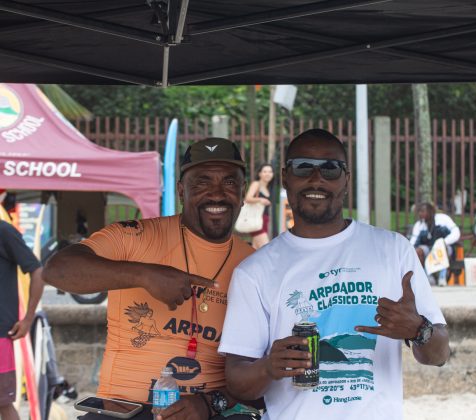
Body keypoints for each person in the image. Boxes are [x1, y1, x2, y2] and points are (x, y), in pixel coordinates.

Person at [219, 129, 450, 420]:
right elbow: (237, 380)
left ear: (347, 180)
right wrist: (267, 367)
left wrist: (420, 330)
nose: (317, 179)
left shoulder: (393, 251)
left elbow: (440, 353)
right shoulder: (255, 271)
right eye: (303, 167)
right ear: (285, 177)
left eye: (330, 168)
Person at [43, 138, 259, 420]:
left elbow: (260, 370)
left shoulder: (254, 264)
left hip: (207, 411)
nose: (216, 194)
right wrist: (144, 274)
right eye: (202, 182)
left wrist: (209, 404)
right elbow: (57, 270)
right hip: (122, 409)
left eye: (229, 183)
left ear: (243, 192)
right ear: (182, 191)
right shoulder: (134, 236)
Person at [0, 219, 44, 420]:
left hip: (0, 335)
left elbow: (38, 271)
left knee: (3, 404)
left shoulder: (3, 231)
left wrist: (28, 318)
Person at [409, 203, 460, 286]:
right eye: (419, 212)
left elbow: (456, 232)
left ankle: (442, 277)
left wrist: (444, 242)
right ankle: (426, 278)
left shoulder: (443, 219)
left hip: (444, 247)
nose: (420, 214)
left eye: (422, 211)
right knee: (417, 251)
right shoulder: (419, 225)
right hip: (428, 249)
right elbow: (413, 241)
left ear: (430, 211)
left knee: (442, 248)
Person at [244, 163, 274, 249]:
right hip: (256, 220)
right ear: (259, 174)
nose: (268, 174)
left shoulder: (268, 187)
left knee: (256, 250)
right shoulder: (256, 184)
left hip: (264, 220)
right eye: (265, 171)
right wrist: (261, 200)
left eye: (270, 172)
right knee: (266, 249)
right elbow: (247, 198)